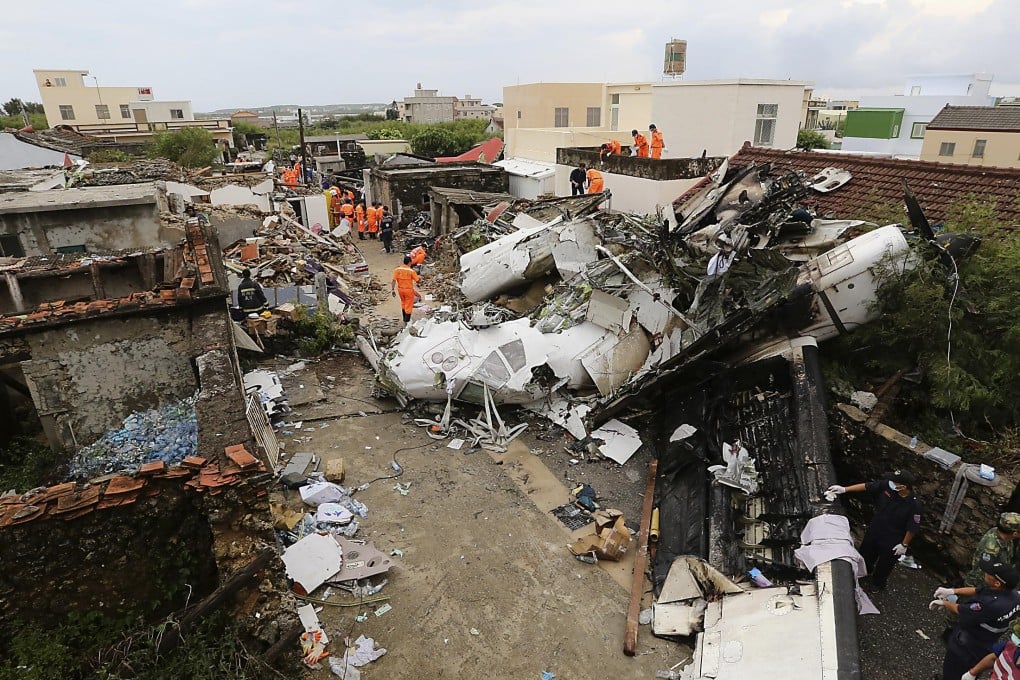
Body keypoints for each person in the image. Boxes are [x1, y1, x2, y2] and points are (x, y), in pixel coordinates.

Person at [825, 470, 922, 591]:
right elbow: (867, 486)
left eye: (894, 482)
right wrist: (844, 489)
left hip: (893, 538)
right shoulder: (887, 486)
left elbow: (912, 527)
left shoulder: (914, 504)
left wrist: (904, 544)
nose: (890, 483)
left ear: (903, 486)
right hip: (876, 529)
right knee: (866, 554)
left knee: (885, 565)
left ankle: (877, 585)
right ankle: (864, 572)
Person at [930, 560, 1020, 680]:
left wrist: (944, 603)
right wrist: (952, 591)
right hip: (986, 645)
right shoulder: (1014, 595)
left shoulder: (990, 604)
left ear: (997, 583)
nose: (985, 573)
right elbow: (978, 591)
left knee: (954, 673)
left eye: (989, 573)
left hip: (968, 647)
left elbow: (961, 609)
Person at [966, 513, 1020, 588]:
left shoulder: (1003, 535)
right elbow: (987, 572)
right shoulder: (992, 547)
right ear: (1015, 534)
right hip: (980, 586)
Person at [391, 256, 422, 324]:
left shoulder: (397, 270)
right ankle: (407, 320)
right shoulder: (411, 271)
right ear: (410, 262)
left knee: (403, 303)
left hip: (400, 290)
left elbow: (393, 280)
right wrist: (419, 279)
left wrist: (392, 289)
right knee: (408, 304)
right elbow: (417, 281)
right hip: (408, 290)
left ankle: (404, 318)